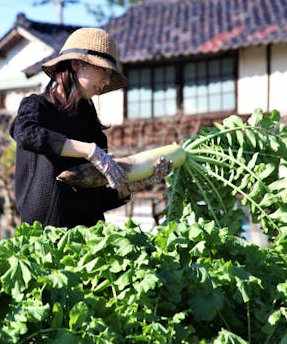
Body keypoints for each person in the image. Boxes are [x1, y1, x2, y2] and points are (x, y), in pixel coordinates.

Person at [9, 27, 170, 228]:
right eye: (103, 70)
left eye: (110, 74)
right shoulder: (37, 107)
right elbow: (25, 134)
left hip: (87, 239)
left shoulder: (91, 127)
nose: (107, 80)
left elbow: (97, 198)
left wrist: (138, 183)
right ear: (76, 64)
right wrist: (88, 151)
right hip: (42, 238)